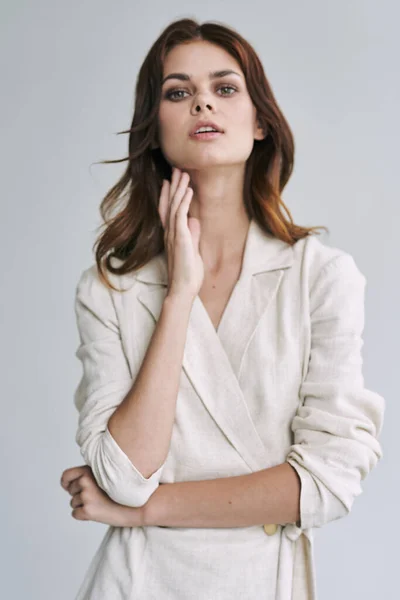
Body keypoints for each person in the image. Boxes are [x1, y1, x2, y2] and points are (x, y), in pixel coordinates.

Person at [60, 17, 385, 600]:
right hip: (138, 581)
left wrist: (144, 511)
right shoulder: (111, 289)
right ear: (155, 129)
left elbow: (327, 483)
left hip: (263, 581)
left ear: (260, 121)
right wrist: (179, 293)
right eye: (178, 92)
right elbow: (124, 477)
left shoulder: (321, 277)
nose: (202, 102)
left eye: (225, 88)